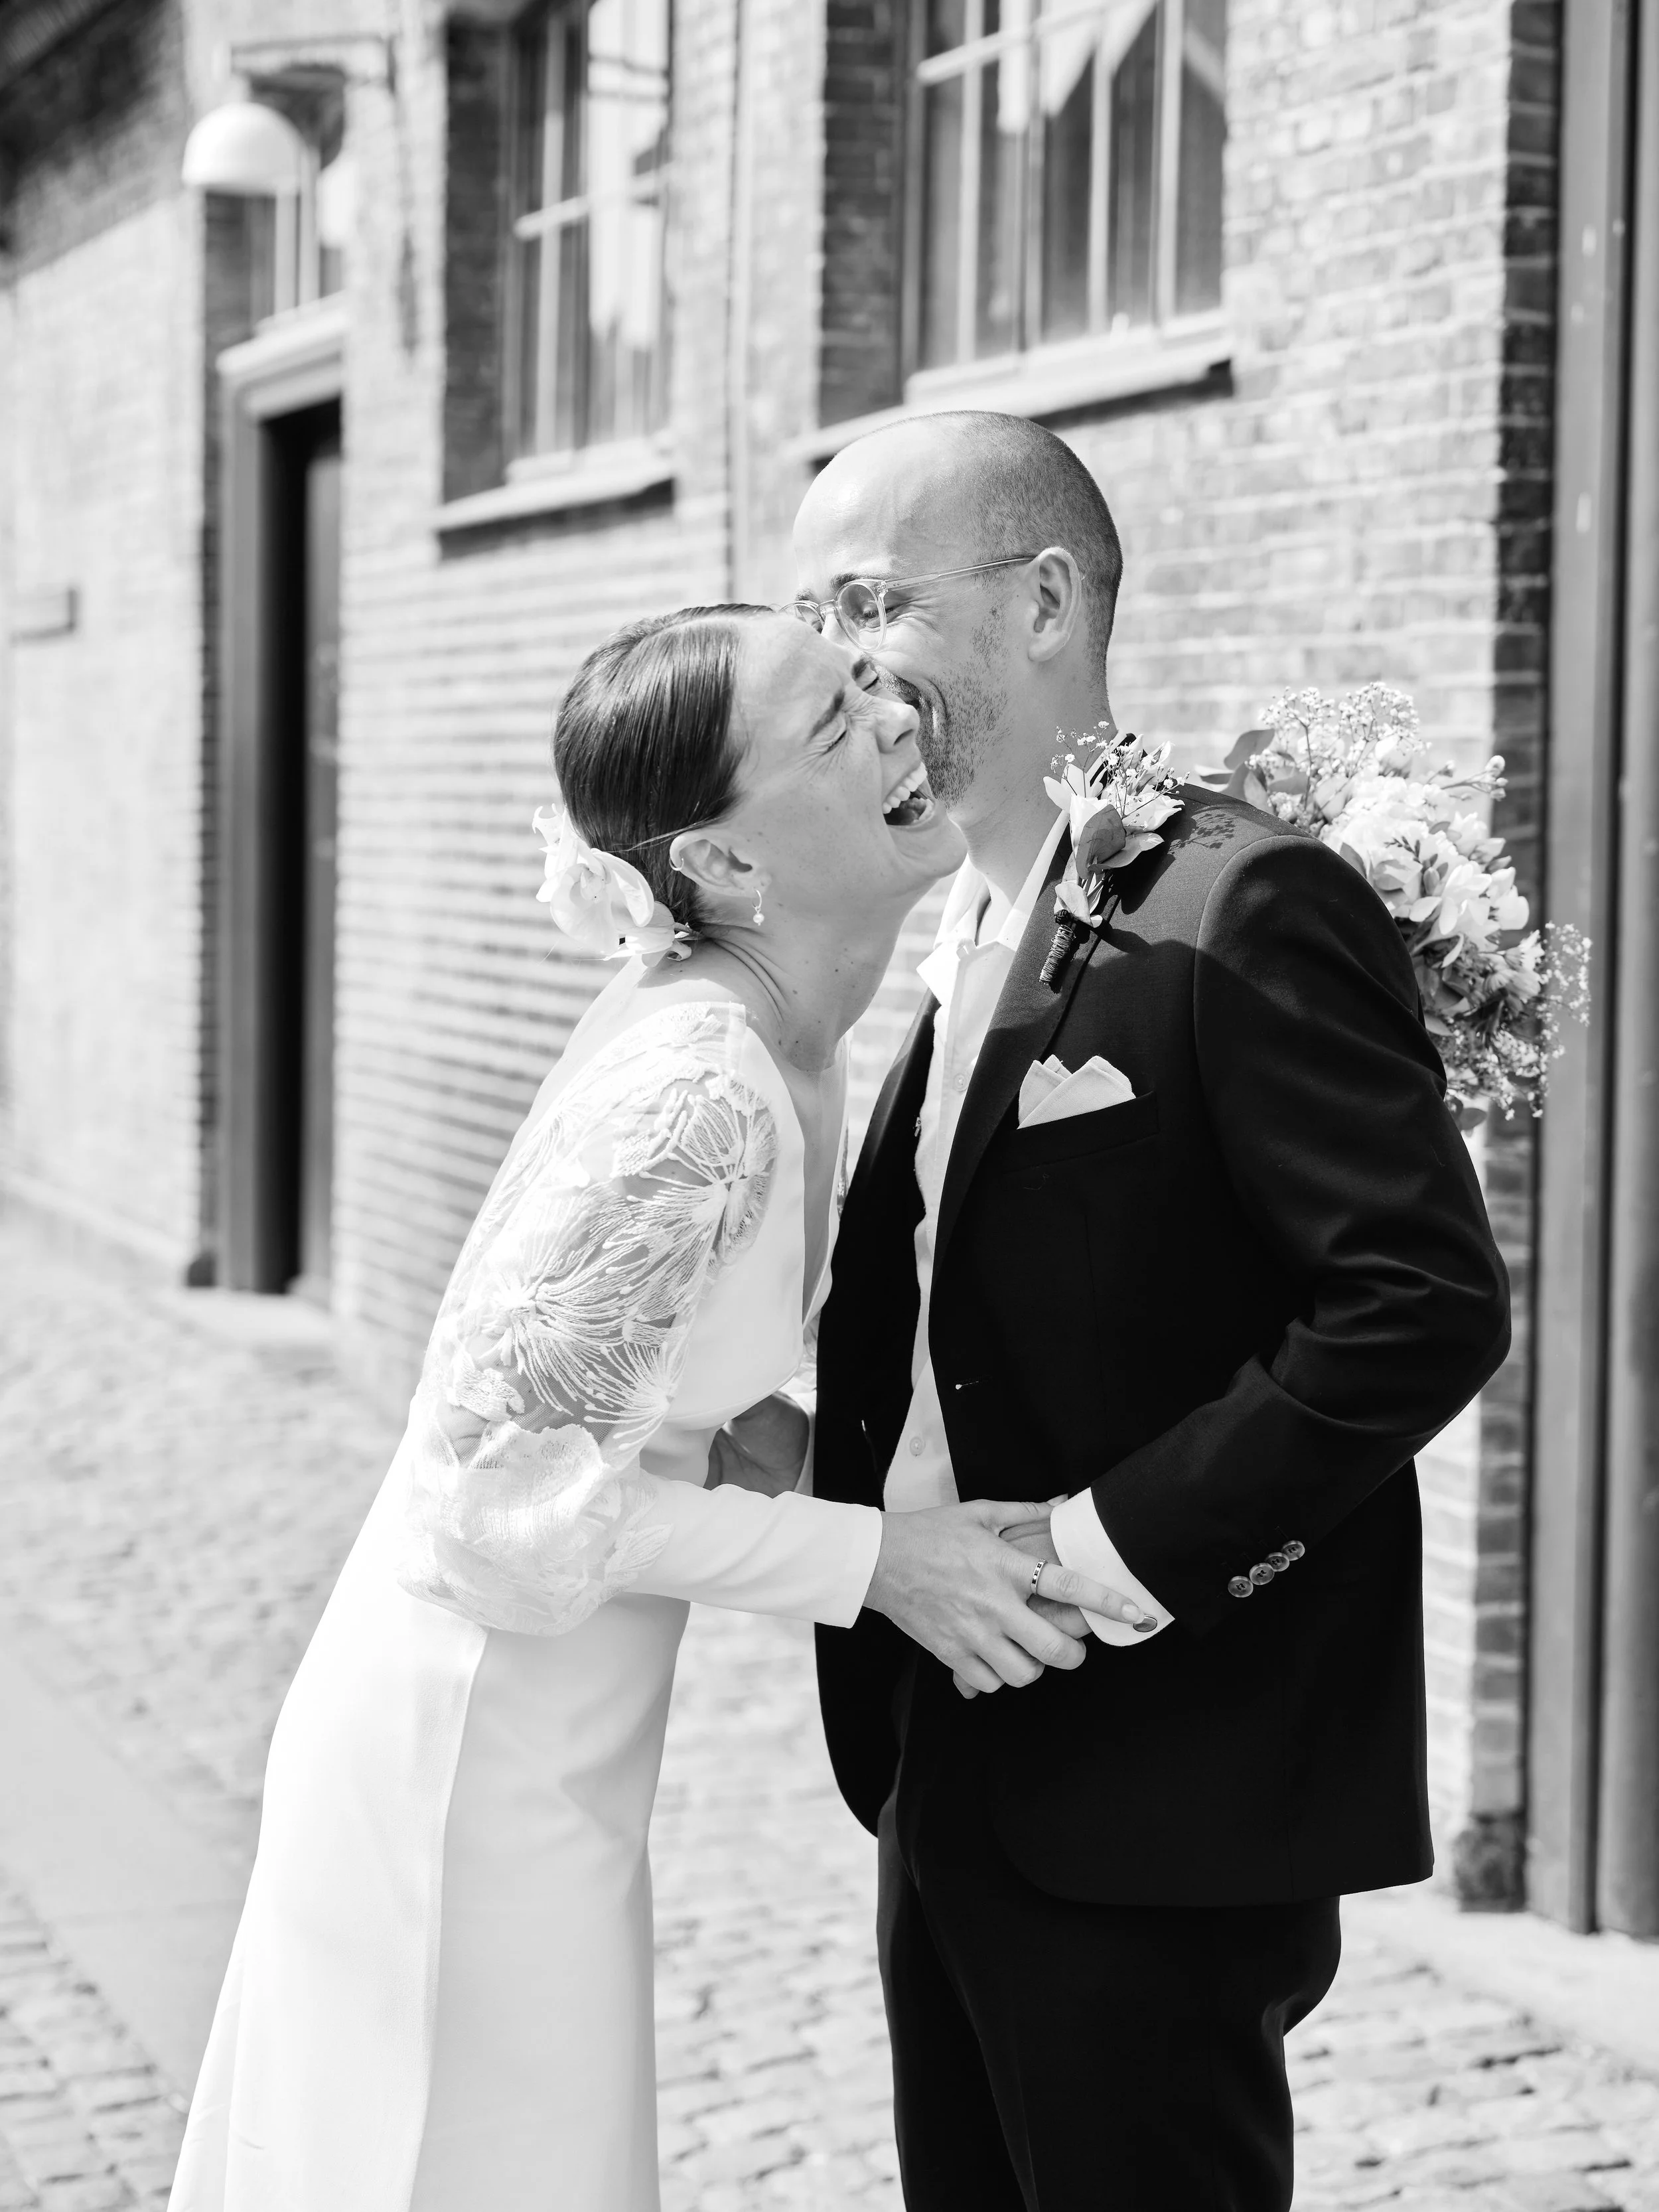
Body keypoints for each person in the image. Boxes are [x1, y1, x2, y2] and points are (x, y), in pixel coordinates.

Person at [166, 602, 1146, 2212]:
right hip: (467, 1746)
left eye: (867, 688)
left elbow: (637, 1399)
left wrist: (849, 1479)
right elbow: (485, 1505)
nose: (898, 723)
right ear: (723, 869)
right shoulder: (694, 1088)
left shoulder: (797, 1034)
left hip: (556, 1733)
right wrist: (876, 1562)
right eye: (836, 727)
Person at [796, 413, 1513, 2212]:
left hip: (1155, 1769)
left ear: (1043, 600)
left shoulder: (1237, 897)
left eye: (871, 600)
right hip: (935, 1741)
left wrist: (1100, 1556)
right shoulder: (954, 920)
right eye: (814, 613)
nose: (836, 661)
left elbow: (1414, 1301)